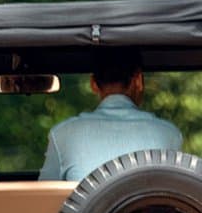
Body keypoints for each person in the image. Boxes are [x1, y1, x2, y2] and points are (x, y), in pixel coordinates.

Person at [39, 49, 182, 181]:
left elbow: (44, 195)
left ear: (93, 83)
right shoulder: (168, 134)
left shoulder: (62, 134)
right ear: (138, 80)